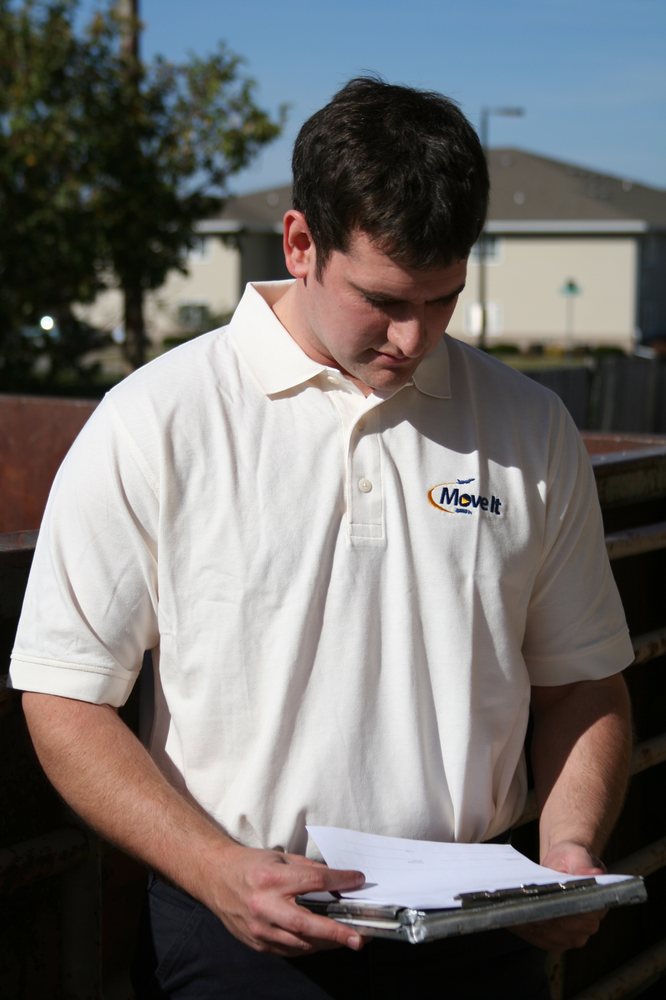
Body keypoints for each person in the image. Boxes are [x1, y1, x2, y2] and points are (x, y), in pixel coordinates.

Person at [10, 77, 633, 999]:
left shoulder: (531, 428)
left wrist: (569, 847)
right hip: (243, 933)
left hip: (482, 930)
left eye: (444, 299)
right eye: (382, 299)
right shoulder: (155, 420)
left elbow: (584, 680)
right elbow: (64, 698)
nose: (413, 337)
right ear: (300, 244)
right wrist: (212, 868)